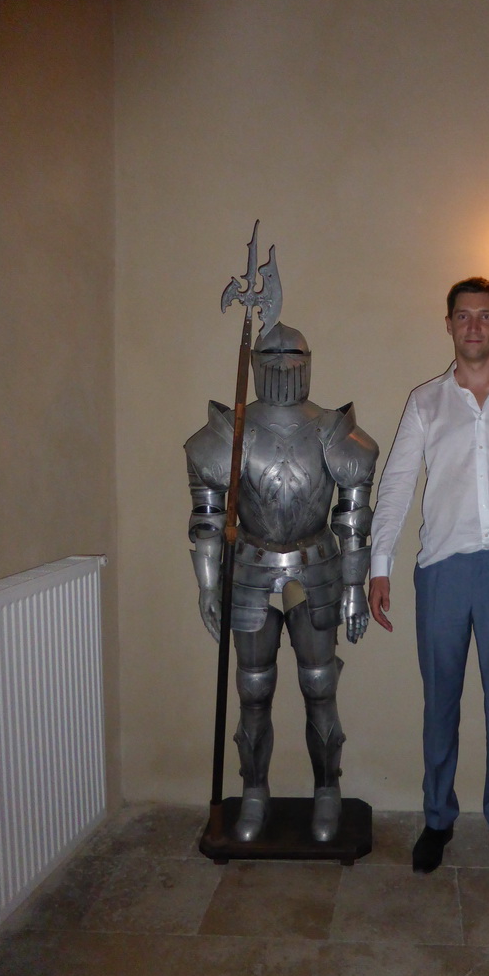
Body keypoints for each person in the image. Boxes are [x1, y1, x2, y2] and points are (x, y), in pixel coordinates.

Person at [368, 276, 489, 882]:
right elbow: (398, 484)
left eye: (485, 316)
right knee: (441, 705)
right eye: (463, 316)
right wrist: (381, 565)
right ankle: (438, 819)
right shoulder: (425, 402)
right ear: (449, 324)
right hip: (442, 571)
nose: (474, 326)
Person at [185, 320, 378, 845]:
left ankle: (327, 791)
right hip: (249, 566)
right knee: (253, 691)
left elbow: (354, 520)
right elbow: (206, 519)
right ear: (255, 362)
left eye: (294, 352)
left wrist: (356, 587)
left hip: (316, 566)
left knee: (320, 685)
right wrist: (208, 584)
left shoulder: (332, 432)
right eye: (274, 353)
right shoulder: (227, 437)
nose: (284, 363)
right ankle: (254, 792)